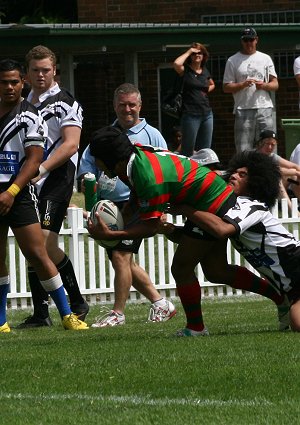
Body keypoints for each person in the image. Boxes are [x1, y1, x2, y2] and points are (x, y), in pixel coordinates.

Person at [86, 126, 288, 337]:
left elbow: (151, 226)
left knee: (181, 267)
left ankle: (196, 328)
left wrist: (112, 235)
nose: (97, 164)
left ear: (111, 158)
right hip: (209, 199)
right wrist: (124, 219)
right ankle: (279, 297)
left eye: (98, 159)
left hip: (211, 204)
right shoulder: (134, 157)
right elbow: (138, 195)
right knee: (216, 270)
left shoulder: (147, 175)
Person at [0, 59, 88, 332]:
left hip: (19, 193)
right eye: (4, 82)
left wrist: (12, 192)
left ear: (21, 82)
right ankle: (1, 322)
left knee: (38, 253)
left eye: (14, 82)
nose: (10, 87)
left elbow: (34, 159)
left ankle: (67, 314)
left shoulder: (29, 115)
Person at [78, 83, 176, 327]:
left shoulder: (152, 134)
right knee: (125, 261)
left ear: (140, 106)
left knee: (122, 257)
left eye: (132, 104)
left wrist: (161, 208)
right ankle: (160, 303)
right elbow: (87, 167)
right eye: (122, 105)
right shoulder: (105, 136)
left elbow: (163, 170)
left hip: (138, 203)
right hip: (109, 207)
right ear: (114, 106)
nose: (127, 109)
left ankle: (118, 313)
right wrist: (86, 183)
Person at [169, 150, 300, 332]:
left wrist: (185, 209)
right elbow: (199, 239)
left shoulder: (252, 206)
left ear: (256, 182)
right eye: (234, 172)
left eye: (242, 174)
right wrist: (169, 229)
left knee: (298, 324)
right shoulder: (229, 206)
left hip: (297, 266)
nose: (233, 176)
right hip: (289, 284)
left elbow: (221, 230)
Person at [223, 27, 279, 153]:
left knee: (268, 146)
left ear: (256, 40)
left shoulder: (265, 58)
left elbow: (275, 84)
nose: (249, 43)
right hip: (243, 108)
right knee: (243, 148)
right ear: (242, 41)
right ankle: (245, 172)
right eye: (246, 40)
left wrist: (264, 85)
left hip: (264, 107)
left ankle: (267, 172)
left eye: (251, 40)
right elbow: (226, 87)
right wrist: (242, 85)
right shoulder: (233, 60)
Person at [173, 42, 215, 156]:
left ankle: (203, 172)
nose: (197, 55)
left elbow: (212, 84)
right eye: (195, 54)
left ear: (204, 55)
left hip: (206, 113)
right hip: (190, 114)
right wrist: (190, 51)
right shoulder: (185, 70)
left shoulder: (205, 70)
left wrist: (205, 90)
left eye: (200, 53)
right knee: (187, 149)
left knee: (205, 150)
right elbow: (177, 63)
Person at [255, 129, 300, 211]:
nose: (270, 147)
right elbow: (275, 170)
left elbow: (293, 166)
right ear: (260, 143)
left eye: (273, 144)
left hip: (271, 189)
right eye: (267, 144)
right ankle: (293, 211)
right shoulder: (256, 156)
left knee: (294, 177)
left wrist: (297, 171)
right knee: (276, 178)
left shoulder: (272, 156)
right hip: (257, 190)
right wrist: (296, 172)